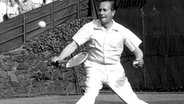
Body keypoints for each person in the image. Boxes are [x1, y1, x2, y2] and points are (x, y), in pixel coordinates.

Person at [52, 0, 148, 104]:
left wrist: (138, 59)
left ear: (113, 13)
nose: (101, 13)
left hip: (115, 70)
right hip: (94, 68)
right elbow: (73, 45)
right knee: (88, 98)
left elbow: (138, 51)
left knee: (133, 101)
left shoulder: (122, 31)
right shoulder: (89, 27)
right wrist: (59, 58)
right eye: (100, 10)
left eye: (105, 10)